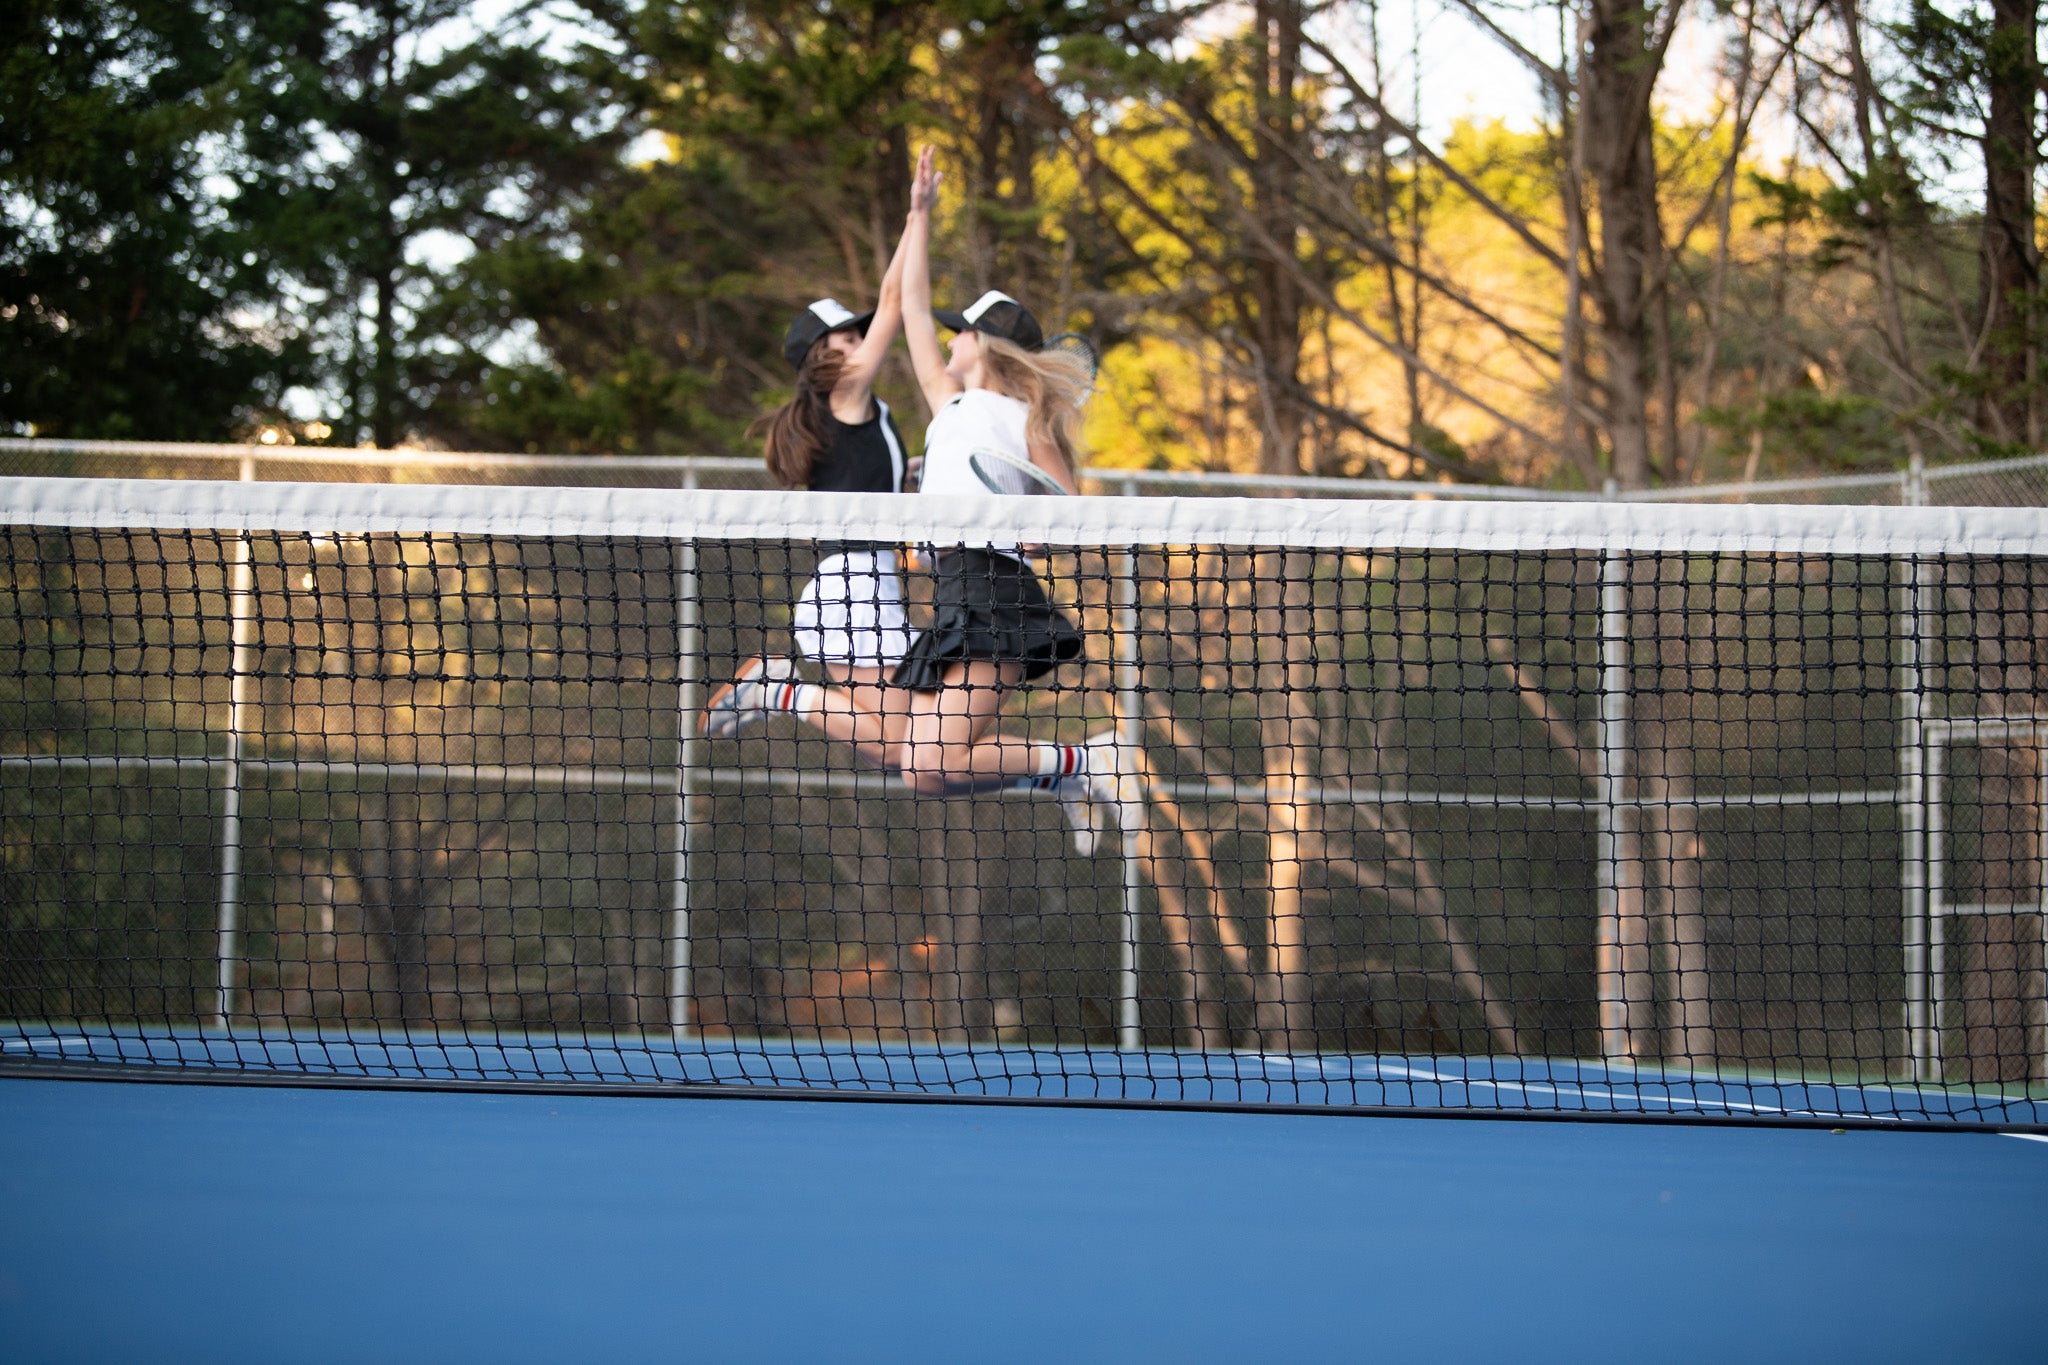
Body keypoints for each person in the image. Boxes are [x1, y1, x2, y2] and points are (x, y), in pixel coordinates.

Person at [703, 146, 1134, 854]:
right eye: (844, 334)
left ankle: (1073, 769)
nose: (944, 335)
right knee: (915, 756)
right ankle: (1072, 768)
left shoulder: (1010, 417)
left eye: (960, 327)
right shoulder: (935, 401)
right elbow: (902, 306)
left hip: (967, 589)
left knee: (916, 757)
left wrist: (1032, 524)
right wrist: (919, 215)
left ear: (983, 343)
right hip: (912, 590)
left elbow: (1062, 508)